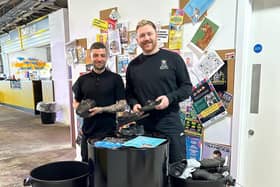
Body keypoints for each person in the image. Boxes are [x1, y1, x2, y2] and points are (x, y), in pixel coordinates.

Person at [125, 20, 193, 163]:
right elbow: (129, 93)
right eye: (142, 35)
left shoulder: (173, 58)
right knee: (148, 172)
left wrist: (169, 98)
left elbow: (187, 87)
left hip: (170, 123)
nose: (146, 38)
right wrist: (134, 104)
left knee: (177, 168)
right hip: (144, 126)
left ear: (156, 35)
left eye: (149, 34)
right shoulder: (133, 66)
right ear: (137, 40)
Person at [72, 42, 126, 162]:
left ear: (106, 57)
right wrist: (80, 111)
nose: (99, 59)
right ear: (90, 57)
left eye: (102, 55)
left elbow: (122, 105)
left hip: (109, 134)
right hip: (87, 133)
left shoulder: (115, 79)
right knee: (87, 167)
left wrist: (101, 110)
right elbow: (75, 102)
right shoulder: (82, 80)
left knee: (109, 169)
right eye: (95, 55)